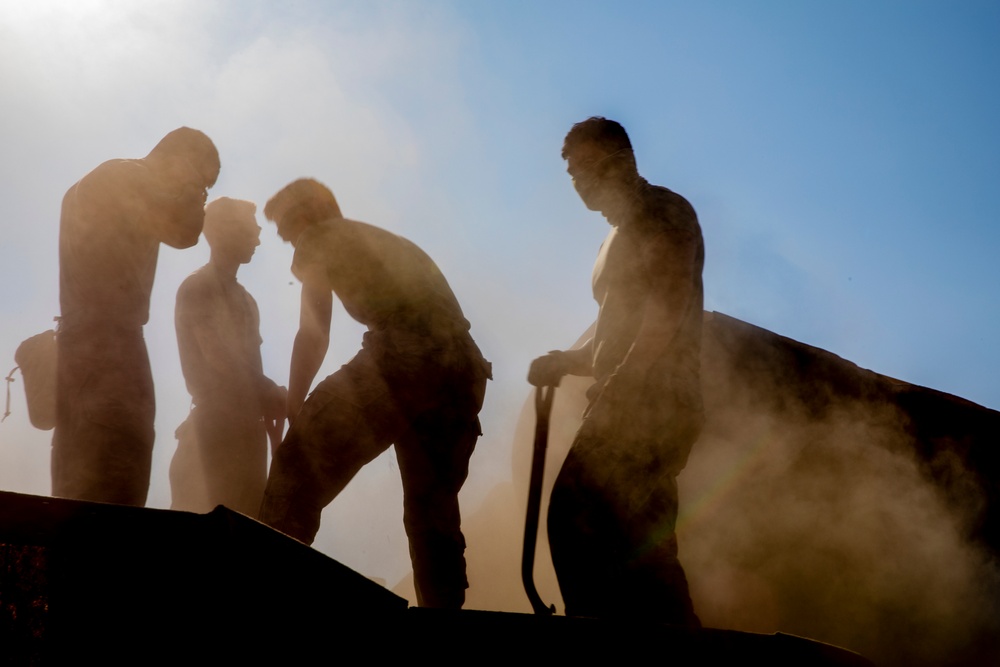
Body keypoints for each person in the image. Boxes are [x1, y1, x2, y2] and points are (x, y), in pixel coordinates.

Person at [259, 179, 491, 609]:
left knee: (297, 467)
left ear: (305, 216)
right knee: (430, 514)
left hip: (406, 356)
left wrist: (296, 408)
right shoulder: (383, 240)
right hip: (464, 372)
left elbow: (314, 332)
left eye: (286, 231)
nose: (290, 242)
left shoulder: (320, 234)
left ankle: (267, 598)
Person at [529, 117, 704, 625]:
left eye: (586, 165)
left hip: (653, 400)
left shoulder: (662, 211)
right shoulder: (614, 239)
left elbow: (668, 306)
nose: (579, 180)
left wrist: (626, 381)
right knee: (637, 538)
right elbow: (614, 339)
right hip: (630, 393)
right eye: (571, 172)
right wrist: (569, 360)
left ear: (621, 159)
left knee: (574, 514)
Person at [52, 127, 220, 507]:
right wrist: (194, 192)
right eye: (202, 180)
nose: (201, 192)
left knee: (80, 478)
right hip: (109, 347)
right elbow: (186, 232)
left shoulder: (110, 177)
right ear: (181, 160)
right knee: (117, 473)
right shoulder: (131, 178)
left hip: (86, 346)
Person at [169, 197, 286, 517]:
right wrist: (271, 392)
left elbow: (250, 369)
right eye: (251, 229)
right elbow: (218, 359)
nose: (259, 238)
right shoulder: (199, 287)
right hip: (212, 438)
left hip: (248, 439)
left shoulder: (245, 299)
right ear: (225, 232)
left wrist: (270, 412)